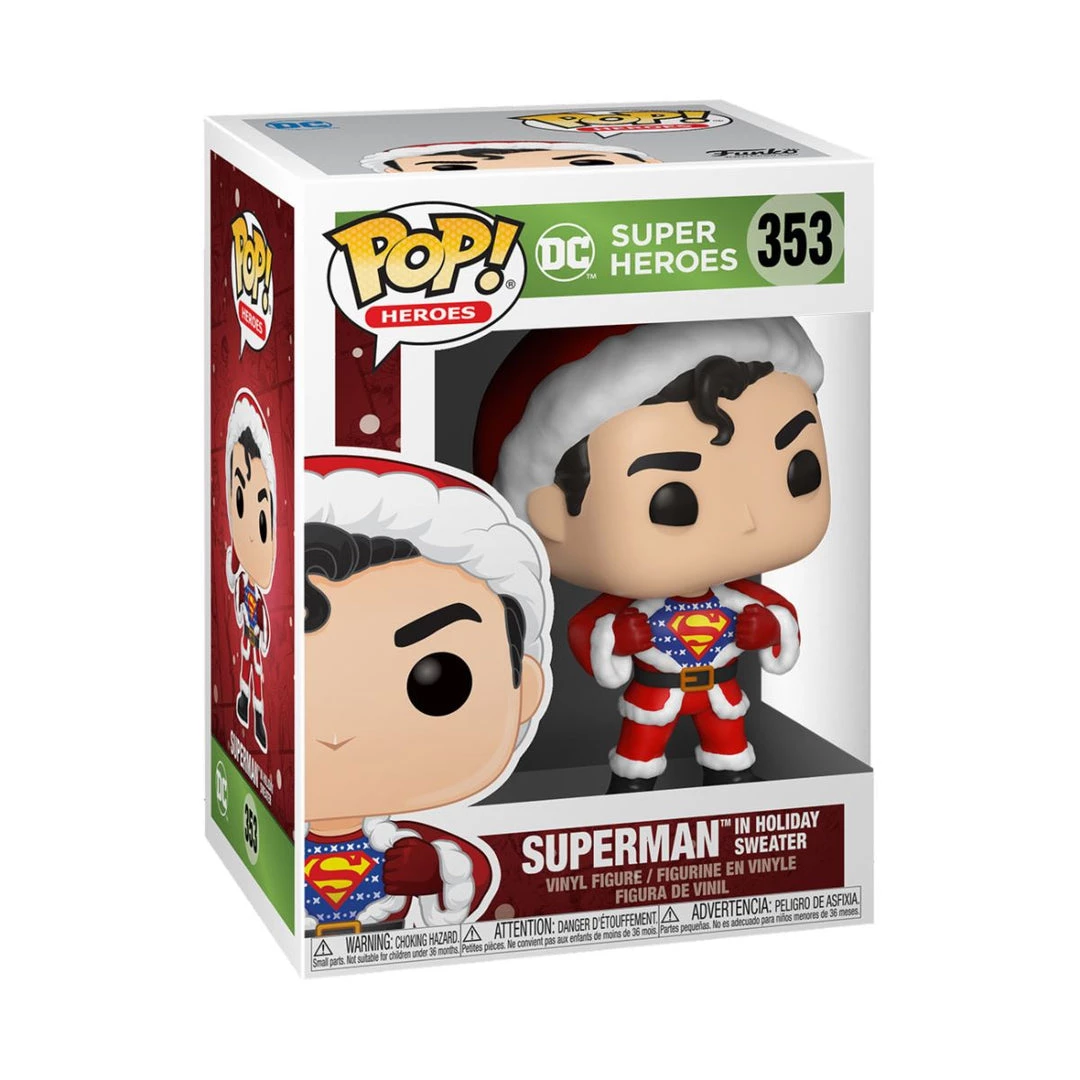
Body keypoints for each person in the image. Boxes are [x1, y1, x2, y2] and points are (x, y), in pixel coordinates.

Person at [474, 318, 829, 792]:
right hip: (653, 692)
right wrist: (618, 636)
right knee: (640, 747)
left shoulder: (740, 599)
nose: (747, 519)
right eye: (674, 501)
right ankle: (632, 788)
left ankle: (730, 778)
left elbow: (781, 623)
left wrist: (766, 630)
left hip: (722, 688)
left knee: (728, 741)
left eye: (800, 472)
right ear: (548, 513)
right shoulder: (630, 608)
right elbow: (587, 632)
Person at [303, 454, 550, 932]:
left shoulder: (408, 842)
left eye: (436, 682)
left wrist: (436, 874)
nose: (339, 732)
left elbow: (475, 874)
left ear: (526, 690)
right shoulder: (277, 831)